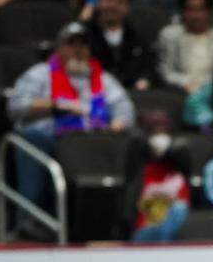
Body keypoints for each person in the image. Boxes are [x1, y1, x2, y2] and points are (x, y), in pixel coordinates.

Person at [7, 22, 135, 231]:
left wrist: (115, 126)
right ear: (59, 49)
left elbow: (125, 110)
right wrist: (56, 106)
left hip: (92, 144)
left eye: (82, 45)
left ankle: (119, 221)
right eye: (71, 44)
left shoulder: (103, 79)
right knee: (30, 139)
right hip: (52, 142)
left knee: (130, 143)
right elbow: (16, 106)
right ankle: (28, 218)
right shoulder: (40, 74)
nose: (77, 50)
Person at [131, 110, 190, 242]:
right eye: (155, 131)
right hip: (145, 231)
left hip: (175, 236)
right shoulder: (141, 171)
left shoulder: (180, 173)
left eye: (163, 130)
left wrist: (173, 149)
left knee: (178, 209)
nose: (159, 137)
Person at [87, 0, 159, 90]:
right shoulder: (83, 35)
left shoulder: (137, 39)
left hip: (132, 96)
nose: (113, 5)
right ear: (98, 2)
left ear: (127, 7)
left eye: (121, 1)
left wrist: (145, 80)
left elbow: (149, 70)